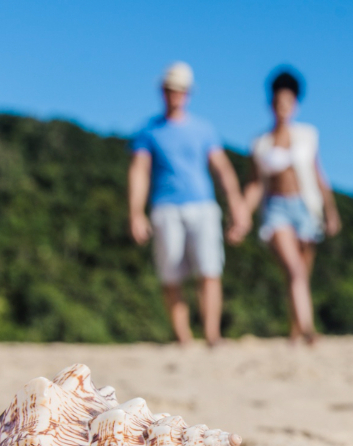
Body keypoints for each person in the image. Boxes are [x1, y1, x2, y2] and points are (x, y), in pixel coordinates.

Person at [129, 62, 250, 347]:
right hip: (165, 207)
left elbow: (222, 168)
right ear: (163, 91)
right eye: (171, 89)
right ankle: (183, 337)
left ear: (188, 93)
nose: (176, 95)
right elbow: (139, 172)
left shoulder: (204, 129)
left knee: (209, 270)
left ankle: (211, 335)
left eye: (181, 90)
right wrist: (136, 213)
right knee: (170, 274)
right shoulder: (148, 131)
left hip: (203, 206)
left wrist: (237, 205)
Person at [242, 68, 341, 345]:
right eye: (278, 102)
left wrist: (331, 211)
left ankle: (295, 329)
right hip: (276, 209)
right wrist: (242, 216)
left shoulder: (308, 135)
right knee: (295, 268)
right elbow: (254, 185)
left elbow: (318, 175)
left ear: (295, 105)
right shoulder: (260, 143)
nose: (282, 108)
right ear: (270, 105)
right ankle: (308, 329)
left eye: (287, 102)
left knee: (299, 274)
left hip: (306, 208)